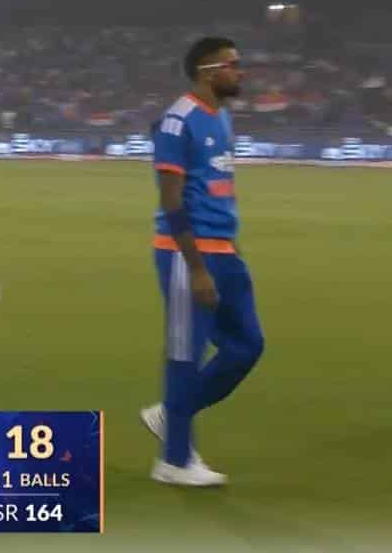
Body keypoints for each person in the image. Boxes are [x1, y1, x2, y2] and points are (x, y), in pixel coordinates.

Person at [141, 36, 266, 487]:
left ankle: (172, 411)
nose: (239, 71)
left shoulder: (222, 116)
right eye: (232, 64)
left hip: (224, 250)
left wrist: (229, 248)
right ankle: (174, 462)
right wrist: (195, 268)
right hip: (186, 254)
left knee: (247, 346)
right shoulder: (179, 121)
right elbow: (171, 200)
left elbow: (216, 189)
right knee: (185, 355)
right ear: (207, 72)